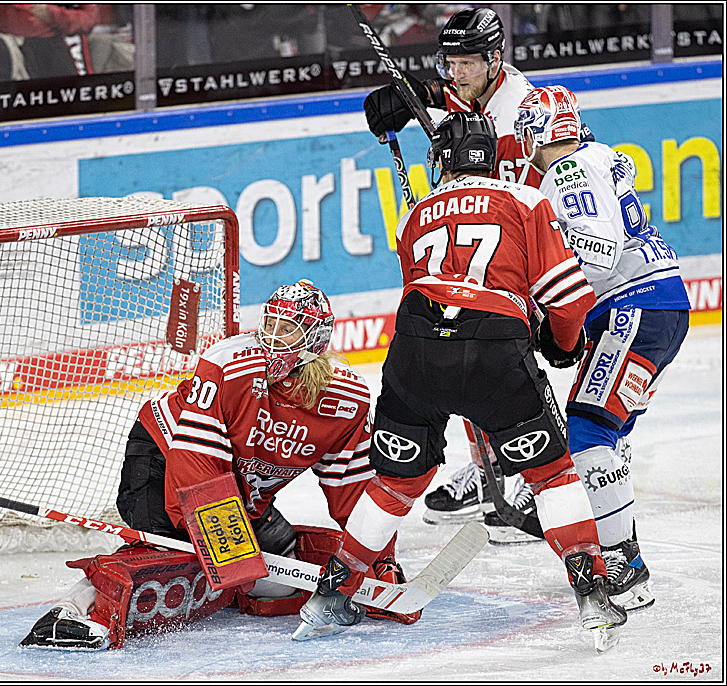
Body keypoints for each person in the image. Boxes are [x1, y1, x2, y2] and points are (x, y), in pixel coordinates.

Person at [294, 111, 627, 649]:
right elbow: (567, 299)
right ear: (493, 156)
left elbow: (422, 291)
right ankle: (592, 593)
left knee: (394, 483)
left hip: (414, 350)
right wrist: (561, 347)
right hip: (495, 349)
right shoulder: (526, 199)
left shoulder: (412, 216)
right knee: (552, 477)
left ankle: (333, 592)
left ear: (439, 160)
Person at [20, 280, 418, 650]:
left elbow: (352, 488)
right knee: (173, 562)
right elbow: (195, 459)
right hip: (164, 458)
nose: (272, 339)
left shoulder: (346, 399)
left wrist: (376, 560)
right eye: (269, 325)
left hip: (239, 489)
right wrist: (221, 539)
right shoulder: (228, 363)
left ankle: (225, 573)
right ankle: (68, 614)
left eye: (287, 330)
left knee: (279, 578)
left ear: (314, 339)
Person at [362, 7, 581, 537]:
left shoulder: (524, 108)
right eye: (448, 61)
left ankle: (530, 470)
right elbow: (444, 101)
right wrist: (410, 97)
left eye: (465, 62)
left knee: (528, 361)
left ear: (495, 60)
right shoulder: (461, 89)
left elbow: (557, 178)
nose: (454, 72)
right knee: (463, 344)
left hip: (542, 237)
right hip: (494, 246)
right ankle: (493, 467)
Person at [513, 85, 692, 611]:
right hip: (655, 306)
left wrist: (541, 292)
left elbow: (601, 249)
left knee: (590, 428)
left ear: (538, 133)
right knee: (605, 433)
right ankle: (605, 525)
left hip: (633, 305)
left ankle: (624, 561)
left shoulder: (566, 171)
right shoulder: (594, 159)